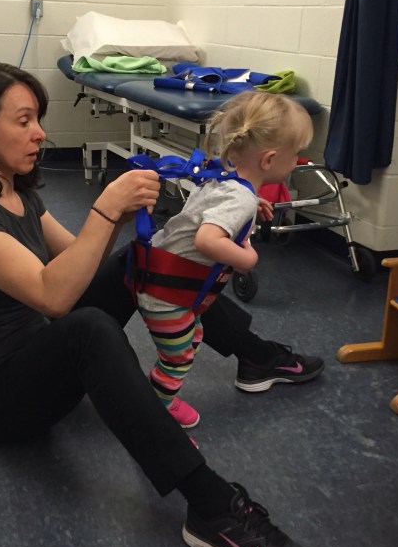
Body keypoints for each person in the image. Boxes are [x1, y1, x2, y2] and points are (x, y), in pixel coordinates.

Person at [0, 60, 325, 547]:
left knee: (147, 262)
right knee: (90, 327)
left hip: (41, 359)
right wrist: (105, 207)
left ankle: (256, 356)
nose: (40, 132)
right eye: (23, 121)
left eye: (38, 118)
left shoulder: (19, 194)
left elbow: (81, 261)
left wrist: (152, 225)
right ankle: (212, 508)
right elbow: (54, 295)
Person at [129, 91, 314, 429]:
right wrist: (247, 259)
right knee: (177, 358)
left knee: (193, 336)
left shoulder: (222, 177)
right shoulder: (239, 198)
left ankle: (158, 398)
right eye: (296, 154)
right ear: (269, 159)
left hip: (157, 279)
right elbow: (207, 239)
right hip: (167, 296)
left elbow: (214, 207)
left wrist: (252, 202)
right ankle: (157, 412)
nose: (298, 160)